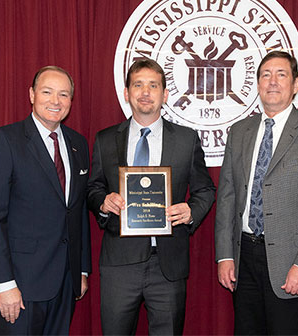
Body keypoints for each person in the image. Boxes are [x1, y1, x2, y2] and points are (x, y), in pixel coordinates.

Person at [215, 50, 298, 335]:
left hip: (292, 262)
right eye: (265, 75)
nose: (272, 82)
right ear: (258, 84)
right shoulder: (239, 131)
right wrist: (224, 256)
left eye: (281, 75)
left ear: (296, 84)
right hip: (243, 259)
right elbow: (227, 197)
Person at [87, 58, 215, 335]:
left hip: (167, 264)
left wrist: (191, 211)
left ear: (165, 94)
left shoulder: (186, 139)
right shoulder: (105, 139)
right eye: (138, 85)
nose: (145, 92)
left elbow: (205, 190)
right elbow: (92, 188)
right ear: (126, 93)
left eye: (153, 85)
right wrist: (103, 202)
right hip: (119, 263)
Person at [0, 66, 91, 335]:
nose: (55, 101)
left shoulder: (78, 144)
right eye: (47, 92)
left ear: (71, 101)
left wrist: (81, 269)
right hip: (19, 286)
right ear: (31, 94)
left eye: (63, 94)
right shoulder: (4, 141)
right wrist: (3, 284)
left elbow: (77, 209)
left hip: (65, 282)